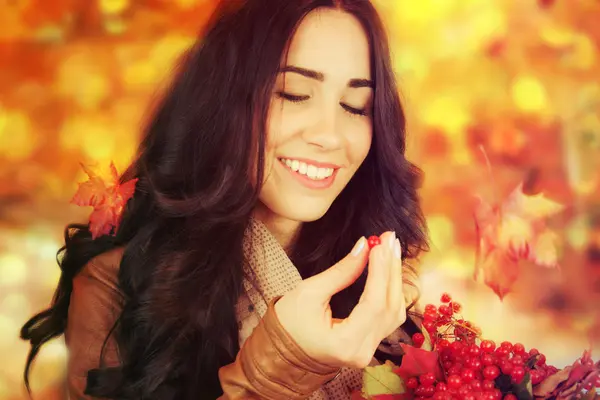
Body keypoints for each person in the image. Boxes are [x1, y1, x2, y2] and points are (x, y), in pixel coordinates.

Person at [21, 0, 429, 398]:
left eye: (356, 106)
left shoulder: (386, 281)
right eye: (292, 93)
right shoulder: (118, 283)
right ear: (223, 100)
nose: (330, 134)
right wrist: (283, 366)